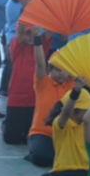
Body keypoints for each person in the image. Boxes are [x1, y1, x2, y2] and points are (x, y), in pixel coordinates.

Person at [39, 82, 90, 176]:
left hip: (86, 172)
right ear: (75, 111)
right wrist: (75, 93)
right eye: (87, 109)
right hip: (64, 172)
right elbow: (66, 112)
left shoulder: (89, 125)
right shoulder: (61, 125)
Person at [25, 27, 72, 165]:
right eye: (58, 70)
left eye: (65, 70)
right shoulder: (44, 83)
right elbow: (40, 63)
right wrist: (37, 37)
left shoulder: (73, 84)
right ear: (50, 70)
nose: (62, 74)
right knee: (43, 158)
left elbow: (87, 60)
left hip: (66, 133)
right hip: (42, 133)